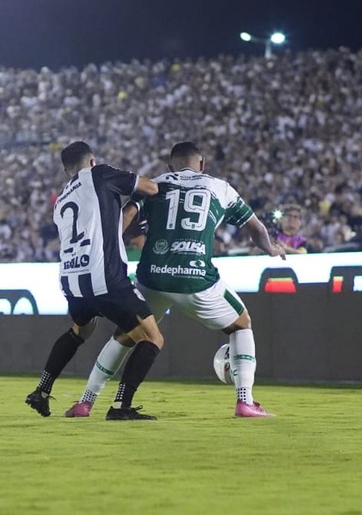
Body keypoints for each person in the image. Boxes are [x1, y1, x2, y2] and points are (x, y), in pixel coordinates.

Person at [64, 141, 285, 419]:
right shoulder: (220, 187)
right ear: (202, 164)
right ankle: (245, 401)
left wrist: (107, 247)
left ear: (171, 166)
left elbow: (126, 215)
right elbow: (256, 227)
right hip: (196, 278)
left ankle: (86, 401)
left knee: (125, 335)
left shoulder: (155, 184)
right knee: (241, 324)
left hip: (152, 278)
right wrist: (271, 248)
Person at [24, 140, 165, 421]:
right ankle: (121, 406)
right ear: (92, 161)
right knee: (152, 338)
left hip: (72, 281)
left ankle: (42, 389)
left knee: (79, 332)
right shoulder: (99, 174)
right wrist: (137, 201)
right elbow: (152, 188)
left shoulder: (62, 198)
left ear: (67, 172)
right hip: (105, 277)